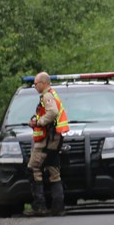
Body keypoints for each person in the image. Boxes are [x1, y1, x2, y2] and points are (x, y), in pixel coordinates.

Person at [26, 71, 69, 217]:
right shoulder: (52, 94)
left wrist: (39, 122)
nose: (35, 86)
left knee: (33, 168)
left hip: (47, 139)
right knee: (53, 171)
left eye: (36, 84)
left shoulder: (47, 96)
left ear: (43, 83)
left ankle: (40, 206)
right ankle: (58, 207)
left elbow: (53, 113)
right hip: (54, 138)